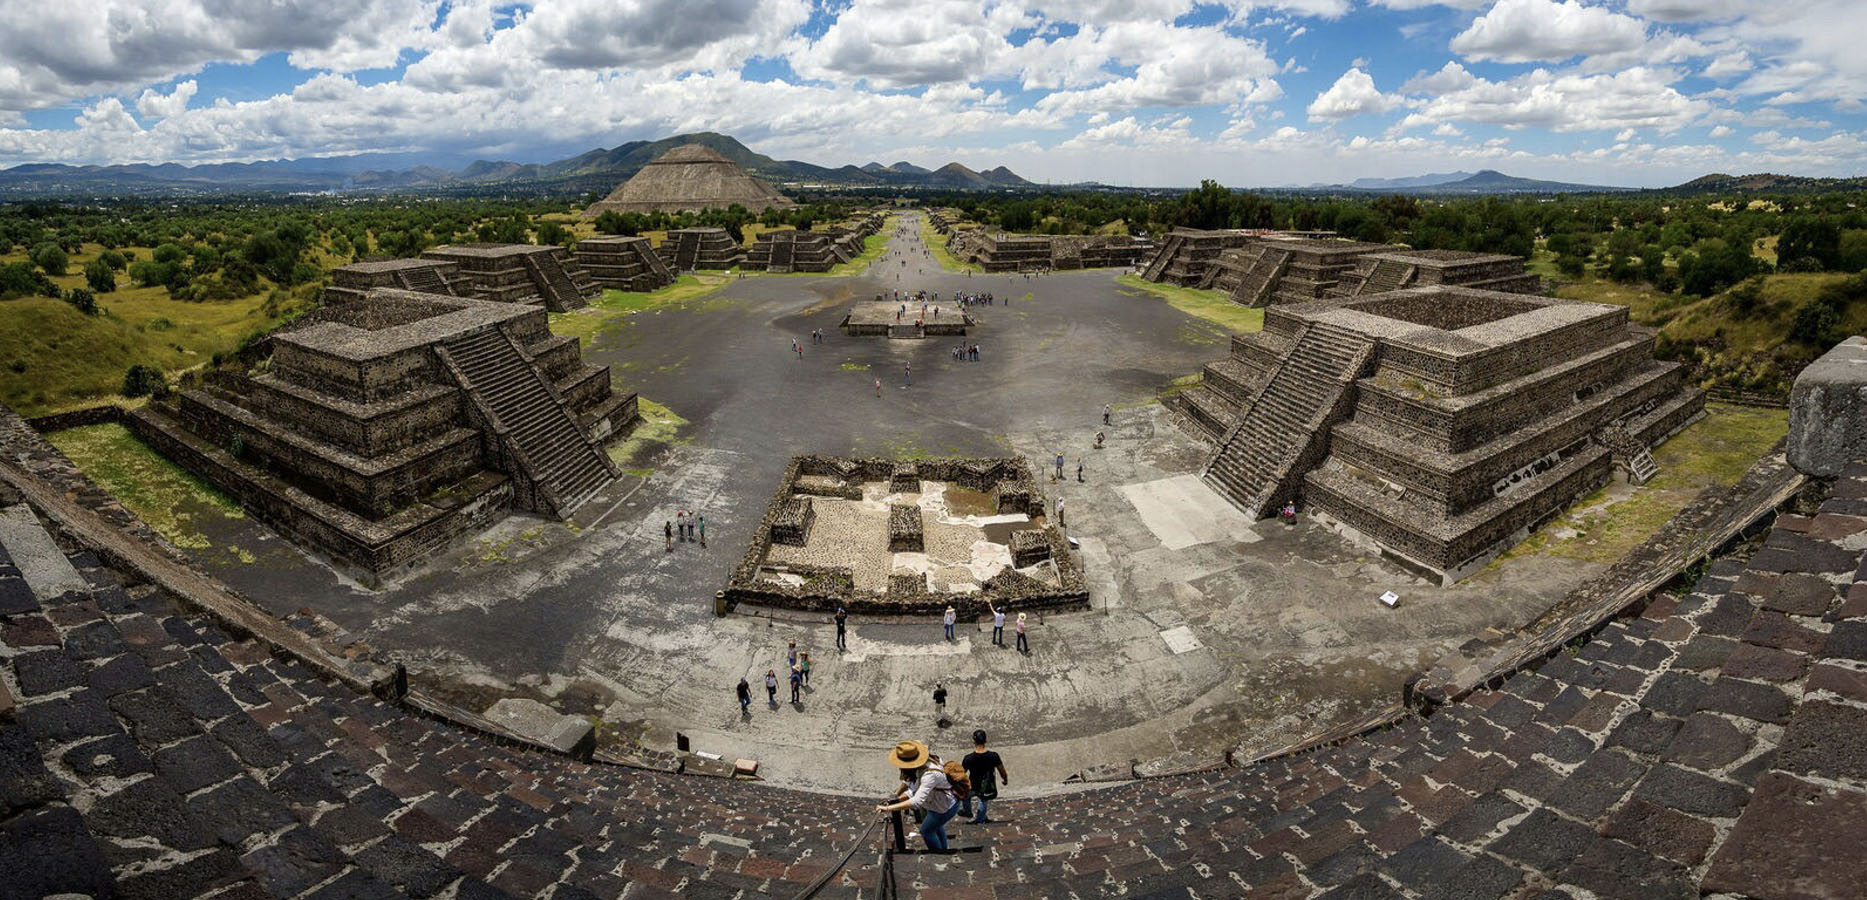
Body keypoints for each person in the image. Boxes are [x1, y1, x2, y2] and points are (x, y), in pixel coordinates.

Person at [876, 741, 959, 852]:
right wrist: (895, 800)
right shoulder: (925, 765)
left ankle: (938, 854)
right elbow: (913, 790)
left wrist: (887, 808)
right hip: (939, 804)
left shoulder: (929, 774)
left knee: (926, 831)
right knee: (936, 827)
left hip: (945, 807)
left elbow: (916, 801)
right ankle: (943, 849)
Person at [961, 731, 1008, 824]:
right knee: (983, 800)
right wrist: (1005, 779)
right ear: (986, 741)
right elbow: (1002, 770)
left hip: (972, 784)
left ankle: (970, 813)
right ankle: (980, 818)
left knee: (965, 796)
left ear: (974, 741)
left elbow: (962, 773)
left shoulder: (968, 758)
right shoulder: (993, 756)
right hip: (987, 784)